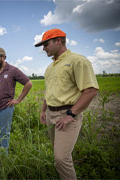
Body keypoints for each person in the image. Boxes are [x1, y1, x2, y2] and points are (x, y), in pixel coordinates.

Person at [35, 29, 99, 179]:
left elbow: (90, 90)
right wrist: (44, 111)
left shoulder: (78, 61)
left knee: (61, 158)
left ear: (58, 40)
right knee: (59, 156)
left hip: (67, 115)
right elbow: (49, 91)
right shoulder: (50, 68)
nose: (43, 48)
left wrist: (71, 115)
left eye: (46, 43)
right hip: (51, 114)